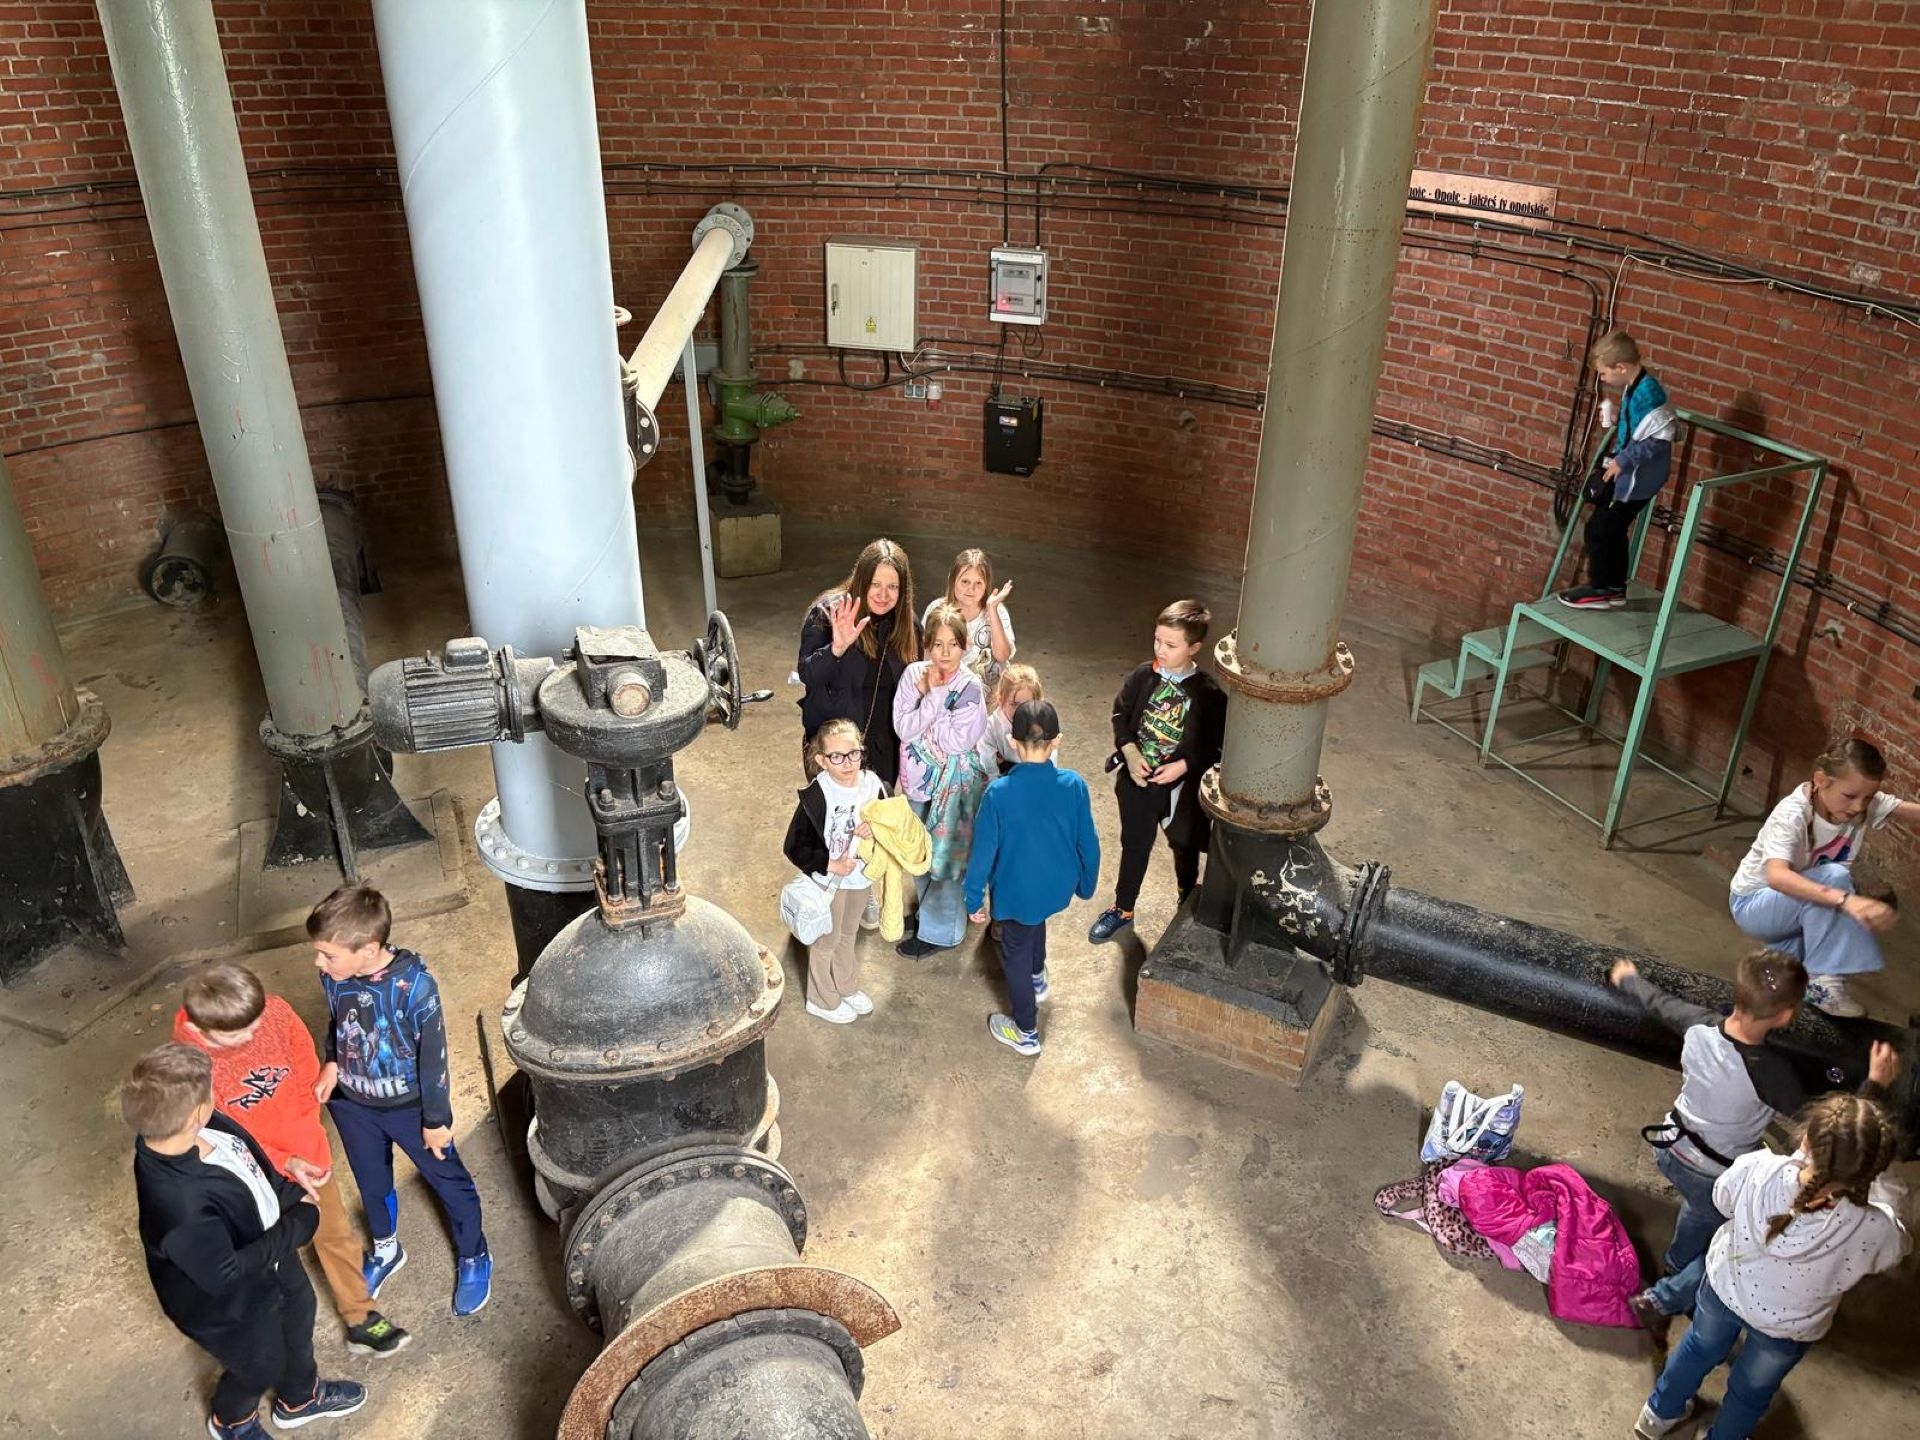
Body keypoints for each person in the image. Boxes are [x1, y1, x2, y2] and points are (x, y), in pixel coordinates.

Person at [1608, 952, 1898, 1338]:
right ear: (1787, 1014)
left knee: (1699, 1211)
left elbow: (1660, 1003)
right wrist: (1875, 1084)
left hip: (1670, 1144)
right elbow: (1829, 1128)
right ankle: (1672, 1281)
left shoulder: (1697, 1023)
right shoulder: (1770, 1072)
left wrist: (1629, 979)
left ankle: (1676, 1267)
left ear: (1739, 993)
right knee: (1733, 1233)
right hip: (1711, 1171)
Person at [1633, 1091, 1908, 1440]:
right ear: (1872, 1170)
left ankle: (1658, 1415)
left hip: (1724, 1290)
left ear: (1805, 1139)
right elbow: (1896, 1249)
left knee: (1697, 1350)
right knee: (1750, 1393)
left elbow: (1722, 1199)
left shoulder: (1758, 1168)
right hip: (1788, 1326)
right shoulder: (1872, 1227)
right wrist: (1887, 1190)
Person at [126, 1042, 366, 1440]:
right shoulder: (178, 1206)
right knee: (259, 1364)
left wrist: (289, 1190)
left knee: (299, 1311)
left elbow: (250, 1165)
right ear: (195, 1113)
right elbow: (224, 1273)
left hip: (269, 1255)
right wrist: (298, 1225)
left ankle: (299, 1399)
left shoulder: (209, 1126)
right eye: (210, 1089)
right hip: (229, 1303)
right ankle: (232, 1421)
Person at [175, 963, 411, 1357]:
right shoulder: (190, 1068)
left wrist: (306, 1134)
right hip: (251, 1172)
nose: (252, 1035)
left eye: (256, 1023)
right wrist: (282, 1162)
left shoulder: (274, 1011)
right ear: (201, 1030)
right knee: (268, 1254)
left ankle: (360, 1315)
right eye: (237, 1034)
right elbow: (221, 1134)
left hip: (308, 1154)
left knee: (334, 1232)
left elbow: (304, 1068)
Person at [306, 883, 491, 1317]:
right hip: (353, 1105)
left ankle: (473, 1253)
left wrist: (436, 1119)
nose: (318, 963)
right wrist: (332, 1061)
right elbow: (337, 1023)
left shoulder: (415, 988)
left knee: (450, 1182)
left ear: (369, 950)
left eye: (328, 955)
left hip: (411, 1110)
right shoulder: (334, 976)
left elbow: (434, 1057)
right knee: (371, 1183)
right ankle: (386, 1249)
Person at [1727, 738, 1916, 1016]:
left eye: (1867, 798)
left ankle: (1784, 960)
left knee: (1783, 987)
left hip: (1795, 909)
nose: (1858, 807)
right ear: (1820, 780)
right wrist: (1846, 901)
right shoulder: (1792, 814)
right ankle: (1823, 983)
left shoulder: (1860, 802)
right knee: (1835, 877)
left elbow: (1911, 812)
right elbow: (1777, 876)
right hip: (1753, 905)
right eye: (1849, 796)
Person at [965, 700, 1101, 1056]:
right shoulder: (1074, 785)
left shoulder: (998, 793)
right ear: (1057, 741)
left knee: (1015, 953)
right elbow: (1088, 842)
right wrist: (1087, 884)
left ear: (1013, 741)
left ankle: (1026, 1031)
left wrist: (972, 897)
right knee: (1035, 922)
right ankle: (1038, 977)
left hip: (1016, 893)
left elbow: (983, 854)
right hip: (1056, 886)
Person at [1088, 600, 1227, 944]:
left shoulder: (1209, 695)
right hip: (1138, 783)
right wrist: (1130, 752)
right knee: (1135, 845)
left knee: (1185, 845)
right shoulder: (1142, 676)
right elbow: (1120, 716)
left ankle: (1187, 898)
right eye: (1157, 640)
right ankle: (1123, 908)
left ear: (1194, 647)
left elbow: (1215, 745)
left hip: (1182, 791)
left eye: (1171, 645)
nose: (1160, 650)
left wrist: (1184, 765)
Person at [894, 603, 991, 958]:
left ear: (964, 646)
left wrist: (931, 697)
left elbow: (955, 742)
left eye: (953, 644)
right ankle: (927, 914)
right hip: (917, 783)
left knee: (947, 859)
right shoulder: (912, 674)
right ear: (927, 646)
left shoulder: (970, 687)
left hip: (954, 791)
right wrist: (932, 709)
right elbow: (903, 727)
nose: (945, 653)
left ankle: (943, 932)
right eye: (937, 644)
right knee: (920, 852)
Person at [1560, 329, 1678, 610]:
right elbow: (1641, 428)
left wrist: (1623, 461)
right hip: (1633, 472)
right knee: (1613, 529)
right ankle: (1614, 587)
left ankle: (1600, 588)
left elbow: (1659, 439)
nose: (1602, 379)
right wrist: (1615, 417)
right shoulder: (1637, 385)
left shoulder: (1647, 394)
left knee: (1598, 529)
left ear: (1621, 367)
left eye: (1603, 373)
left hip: (1636, 478)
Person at [782, 718, 886, 1023]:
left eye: (853, 753)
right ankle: (821, 998)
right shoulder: (819, 794)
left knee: (848, 933)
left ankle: (846, 985)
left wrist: (876, 828)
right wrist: (830, 864)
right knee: (826, 939)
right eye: (836, 757)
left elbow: (891, 820)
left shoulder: (873, 784)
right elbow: (794, 846)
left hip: (860, 877)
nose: (847, 763)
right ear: (821, 760)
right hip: (828, 881)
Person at [796, 538, 921, 788]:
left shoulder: (907, 626)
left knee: (877, 811)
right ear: (862, 580)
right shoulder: (828, 612)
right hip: (835, 751)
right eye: (875, 584)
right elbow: (807, 673)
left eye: (892, 587)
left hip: (883, 750)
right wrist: (836, 649)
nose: (883, 595)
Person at [924, 546, 1015, 691]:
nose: (971, 589)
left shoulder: (997, 611)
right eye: (965, 582)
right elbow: (926, 657)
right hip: (948, 687)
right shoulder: (937, 609)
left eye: (978, 583)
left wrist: (992, 610)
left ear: (986, 585)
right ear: (953, 580)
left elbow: (1002, 656)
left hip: (989, 690)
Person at [978, 663, 1045, 777]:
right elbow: (988, 768)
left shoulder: (1043, 725)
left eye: (1028, 705)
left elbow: (1048, 765)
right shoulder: (989, 727)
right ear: (1001, 700)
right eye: (1014, 704)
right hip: (1002, 778)